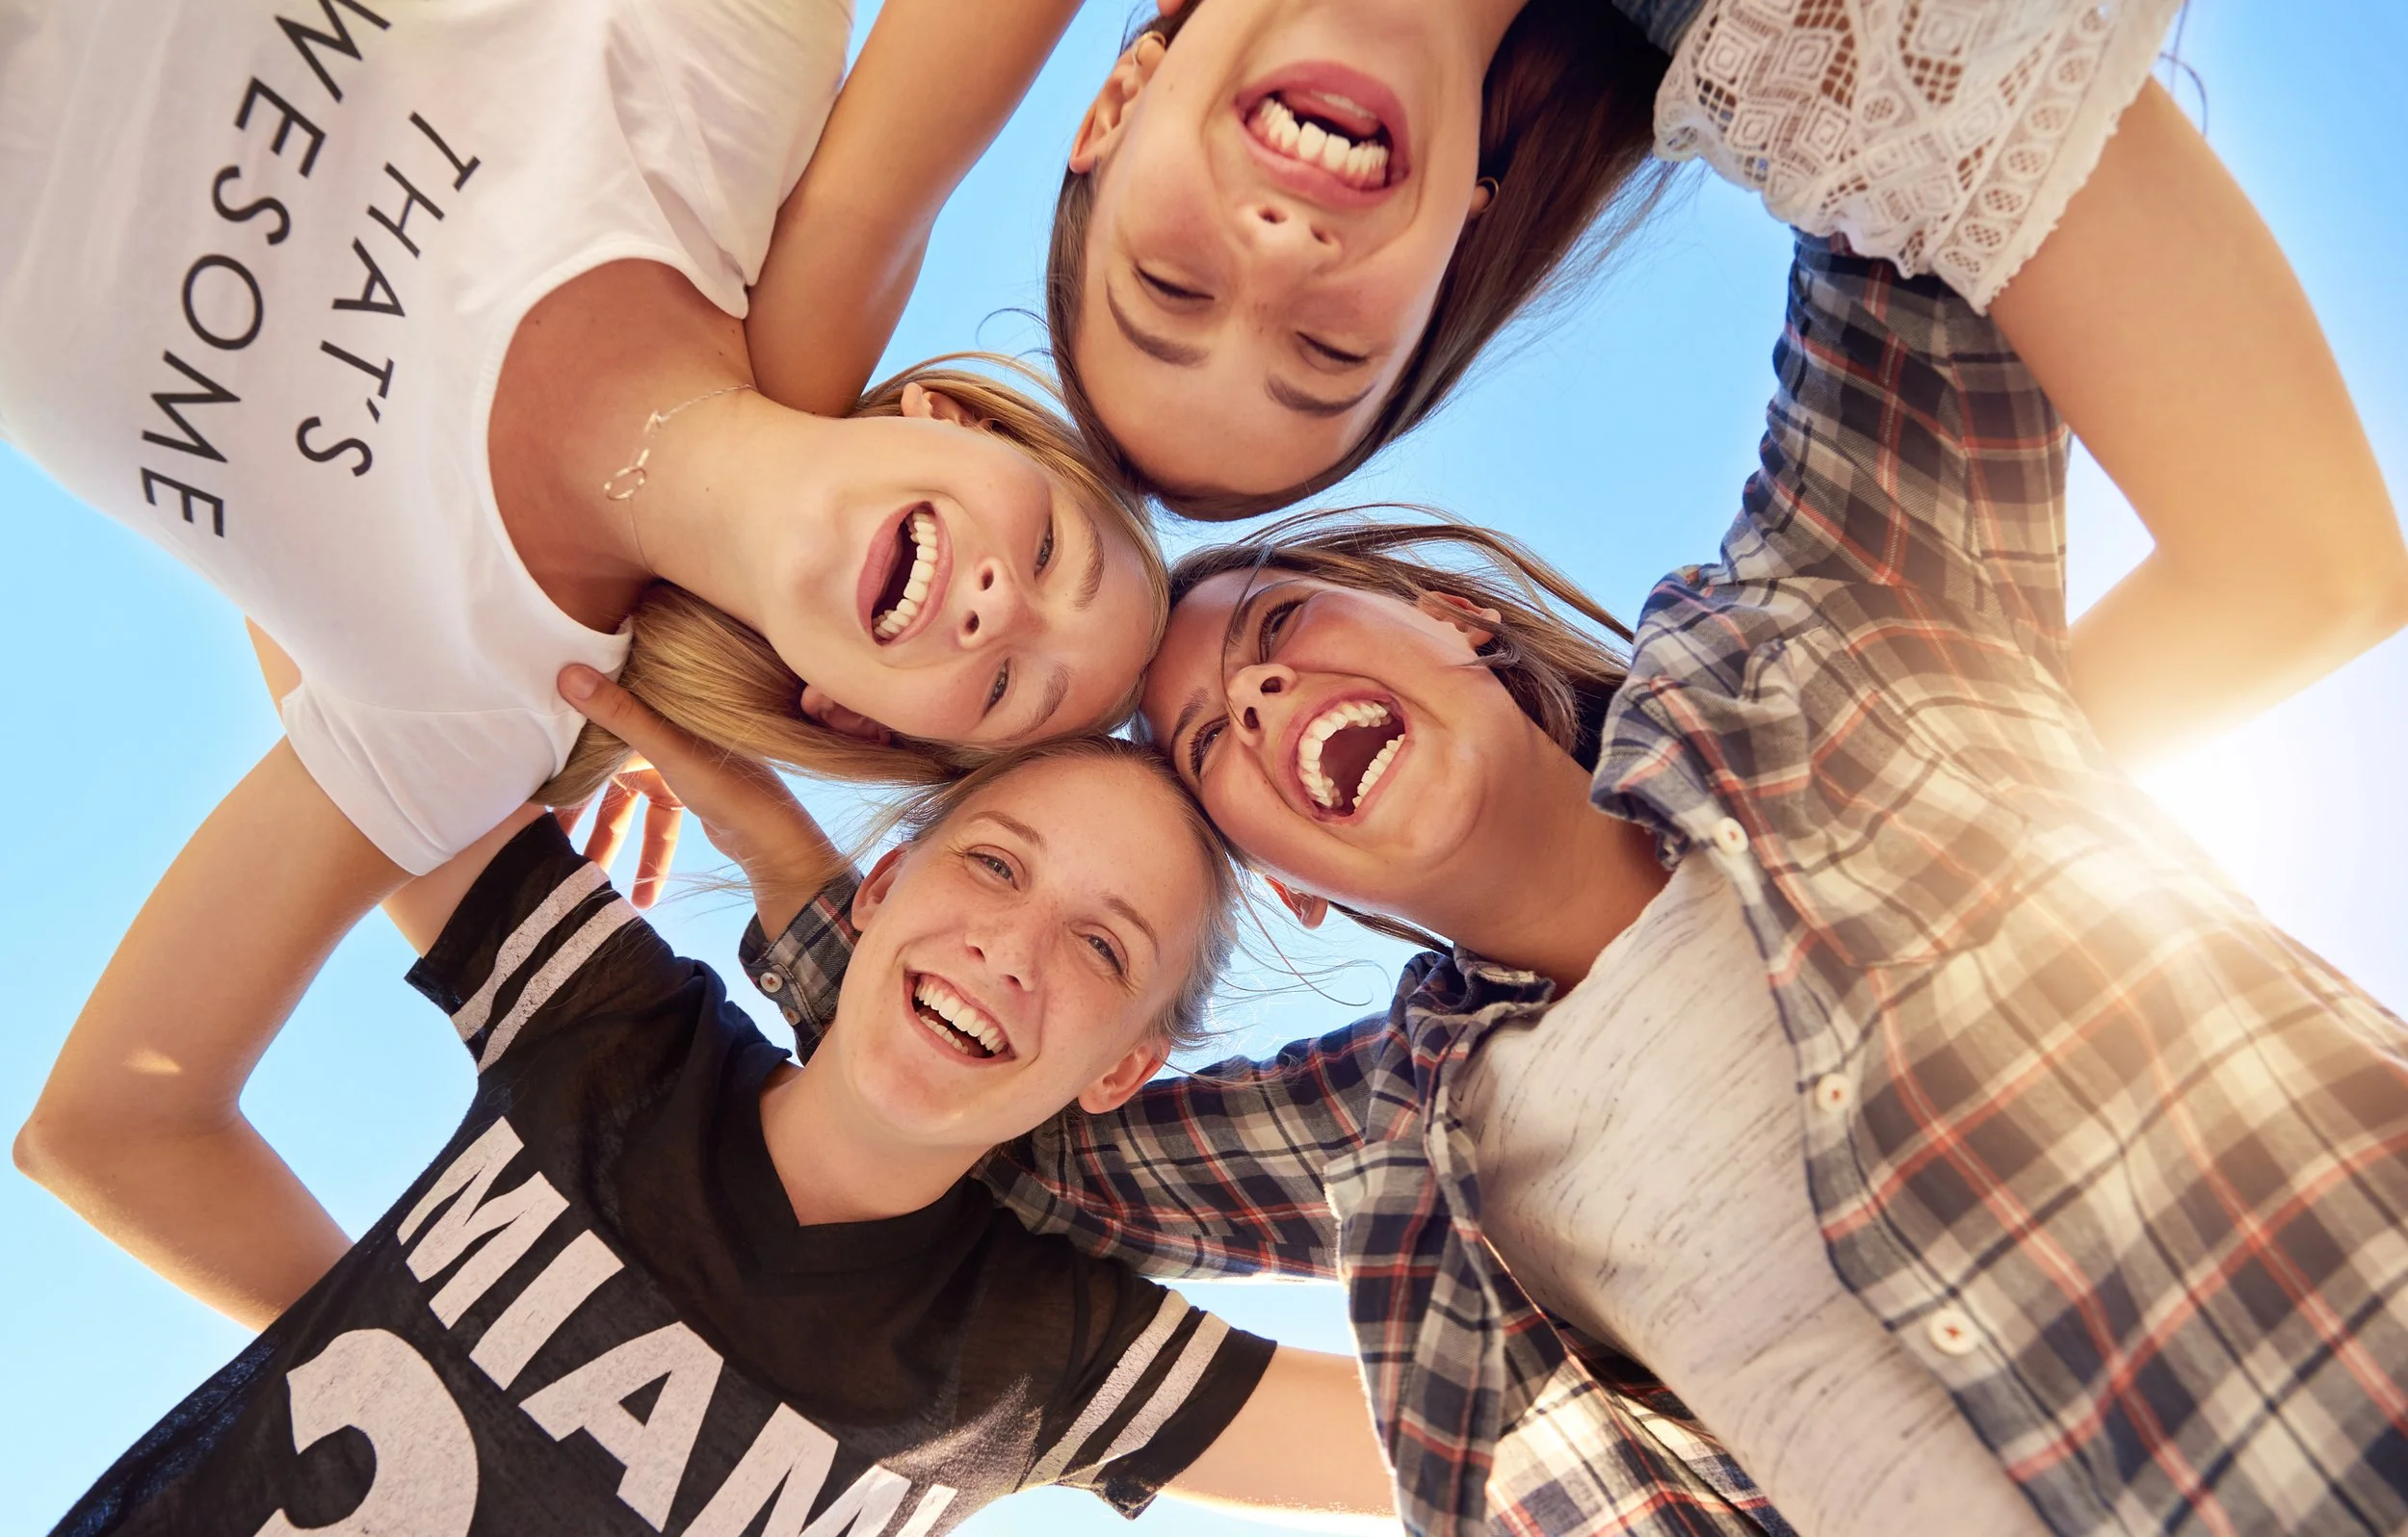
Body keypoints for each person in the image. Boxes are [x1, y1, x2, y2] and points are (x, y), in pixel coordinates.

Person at [748, 77, 2408, 1537]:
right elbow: (1014, 1098)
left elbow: (1922, 159)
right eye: (1202, 749)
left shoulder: (1827, 636)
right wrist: (739, 780)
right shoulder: (1395, 1140)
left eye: (1278, 629)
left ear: (1448, 623)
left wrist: (1465, 73)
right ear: (1292, 881)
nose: (1252, 700)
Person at [24, 706, 1400, 1536]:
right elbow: (334, 619)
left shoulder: (1049, 1351)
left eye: (1102, 950)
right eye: (992, 865)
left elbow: (1521, 1455)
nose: (1010, 950)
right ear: (881, 886)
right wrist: (382, 1345)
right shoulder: (616, 1034)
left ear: (1123, 1068)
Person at [1044, 0, 2188, 518]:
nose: (1279, 256)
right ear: (1460, 240)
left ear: (1116, 104)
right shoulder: (1827, 66)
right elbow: (2304, 570)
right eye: (1329, 347)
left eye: (1172, 287)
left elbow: (860, 220)